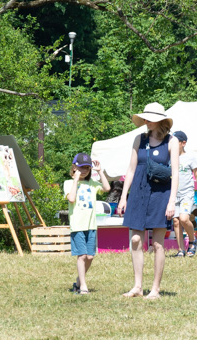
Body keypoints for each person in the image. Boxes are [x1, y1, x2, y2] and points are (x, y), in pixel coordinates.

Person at [117, 102, 179, 300]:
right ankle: (137, 286)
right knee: (135, 240)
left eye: (150, 118)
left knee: (158, 244)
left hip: (161, 194)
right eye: (145, 117)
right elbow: (131, 169)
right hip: (138, 193)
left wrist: (171, 202)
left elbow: (176, 174)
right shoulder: (139, 139)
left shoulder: (172, 141)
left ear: (160, 120)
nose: (146, 121)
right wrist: (123, 197)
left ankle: (155, 289)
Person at [65, 153, 110, 294]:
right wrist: (76, 180)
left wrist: (100, 171)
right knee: (82, 256)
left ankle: (78, 282)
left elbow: (107, 188)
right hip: (78, 225)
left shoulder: (92, 184)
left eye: (87, 168)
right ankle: (83, 286)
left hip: (91, 225)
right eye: (81, 167)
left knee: (90, 256)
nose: (84, 170)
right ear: (74, 168)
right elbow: (71, 198)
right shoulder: (68, 183)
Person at [171, 131, 197, 257]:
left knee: (184, 219)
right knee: (176, 221)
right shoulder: (169, 157)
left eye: (175, 142)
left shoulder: (190, 158)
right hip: (174, 194)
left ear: (183, 143)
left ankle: (192, 241)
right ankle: (181, 250)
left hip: (187, 193)